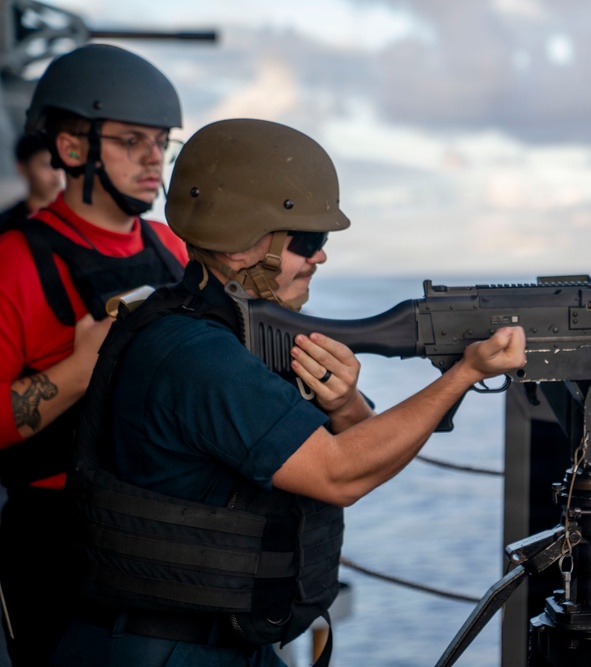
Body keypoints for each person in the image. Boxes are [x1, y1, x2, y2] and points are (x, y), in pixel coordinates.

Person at [49, 118, 526, 667]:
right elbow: (339, 474)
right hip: (165, 648)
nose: (320, 257)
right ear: (243, 244)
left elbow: (355, 449)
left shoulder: (214, 328)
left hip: (212, 640)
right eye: (309, 241)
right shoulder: (197, 355)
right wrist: (464, 373)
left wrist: (346, 403)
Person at [0, 44, 188, 665]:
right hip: (60, 543)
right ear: (73, 148)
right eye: (131, 141)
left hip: (163, 530)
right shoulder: (13, 262)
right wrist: (80, 370)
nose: (153, 159)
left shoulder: (172, 249)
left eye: (160, 142)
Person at [0, 133, 64, 227]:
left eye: (59, 164)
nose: (56, 174)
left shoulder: (74, 218)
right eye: (45, 165)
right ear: (22, 168)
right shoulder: (7, 225)